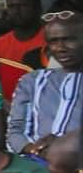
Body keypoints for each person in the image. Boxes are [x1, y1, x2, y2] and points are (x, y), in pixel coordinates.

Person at [9, 10, 81, 155]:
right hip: (35, 163)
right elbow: (15, 131)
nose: (60, 48)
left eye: (69, 39)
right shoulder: (32, 81)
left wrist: (63, 147)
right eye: (53, 41)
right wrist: (33, 149)